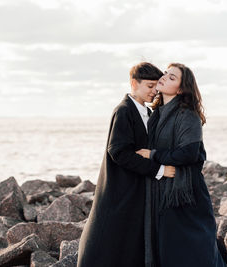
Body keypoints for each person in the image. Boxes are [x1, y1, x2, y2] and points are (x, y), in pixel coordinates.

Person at [77, 62, 176, 267]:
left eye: (156, 86)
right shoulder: (124, 111)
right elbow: (118, 152)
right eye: (149, 86)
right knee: (108, 239)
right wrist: (159, 170)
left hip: (137, 189)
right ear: (134, 83)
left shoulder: (147, 113)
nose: (154, 91)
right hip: (120, 188)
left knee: (129, 242)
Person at [136, 63, 226, 267]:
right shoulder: (156, 114)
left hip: (186, 192)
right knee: (168, 247)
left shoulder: (187, 114)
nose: (164, 77)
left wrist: (153, 154)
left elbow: (189, 153)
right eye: (166, 73)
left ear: (181, 88)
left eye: (172, 77)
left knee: (194, 247)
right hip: (163, 187)